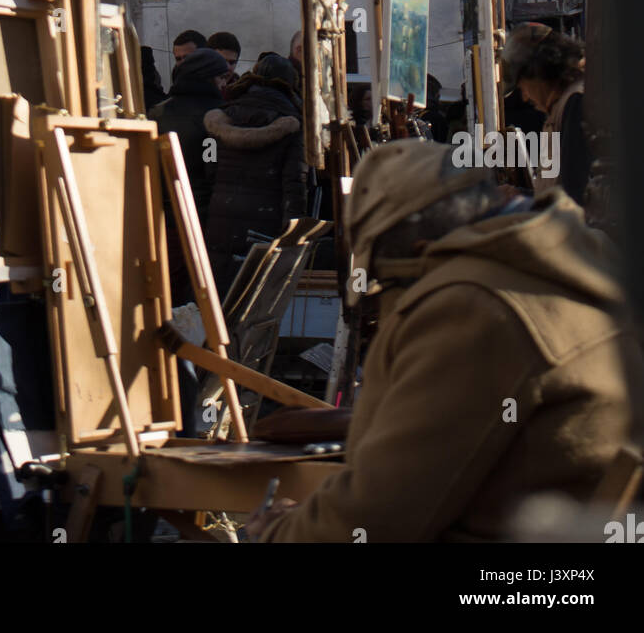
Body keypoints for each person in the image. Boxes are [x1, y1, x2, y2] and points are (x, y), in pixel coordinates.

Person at [249, 140, 644, 543]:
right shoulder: (561, 260)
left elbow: (382, 514)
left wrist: (280, 532)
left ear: (418, 250)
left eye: (388, 279)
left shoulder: (472, 306)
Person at [203, 54, 307, 294]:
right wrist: (292, 237)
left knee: (218, 300)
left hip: (220, 221)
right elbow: (294, 184)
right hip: (264, 225)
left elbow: (208, 165)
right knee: (253, 300)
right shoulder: (291, 126)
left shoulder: (219, 121)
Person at [148, 48, 229, 302]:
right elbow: (211, 166)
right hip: (199, 214)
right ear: (210, 78)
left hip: (161, 214)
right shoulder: (215, 116)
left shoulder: (158, 113)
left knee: (167, 290)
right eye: (222, 78)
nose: (224, 83)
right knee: (198, 291)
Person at [501, 23, 589, 205]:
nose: (525, 97)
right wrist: (519, 195)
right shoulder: (559, 109)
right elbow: (554, 189)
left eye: (522, 86)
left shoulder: (574, 103)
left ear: (538, 72)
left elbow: (573, 195)